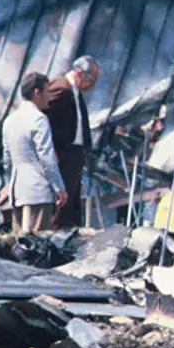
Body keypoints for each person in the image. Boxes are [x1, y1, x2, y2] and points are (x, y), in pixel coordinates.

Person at [1, 72, 66, 235]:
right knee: (38, 246)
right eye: (46, 92)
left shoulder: (9, 121)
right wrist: (59, 188)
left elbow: (7, 160)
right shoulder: (39, 119)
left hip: (18, 192)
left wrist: (11, 184)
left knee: (19, 245)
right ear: (37, 93)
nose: (48, 98)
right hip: (38, 191)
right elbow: (47, 158)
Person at [41, 55, 100, 229]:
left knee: (72, 205)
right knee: (61, 205)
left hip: (73, 154)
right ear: (80, 73)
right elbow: (43, 118)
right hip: (63, 154)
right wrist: (51, 149)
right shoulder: (61, 88)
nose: (92, 85)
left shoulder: (75, 92)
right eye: (92, 80)